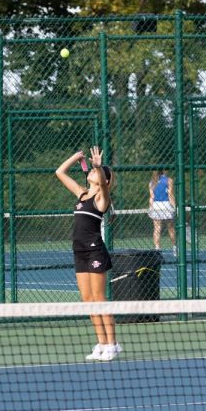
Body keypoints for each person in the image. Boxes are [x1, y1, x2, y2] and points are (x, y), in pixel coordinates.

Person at [55, 146, 120, 362]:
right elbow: (60, 173)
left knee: (100, 299)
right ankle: (101, 344)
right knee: (88, 300)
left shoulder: (102, 200)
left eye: (98, 173)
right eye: (91, 171)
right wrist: (75, 157)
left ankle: (112, 344)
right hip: (79, 251)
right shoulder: (81, 194)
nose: (92, 173)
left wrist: (99, 166)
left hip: (95, 251)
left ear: (106, 180)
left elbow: (102, 183)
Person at [148, 169, 176, 256]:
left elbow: (152, 197)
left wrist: (150, 207)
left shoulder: (151, 183)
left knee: (157, 228)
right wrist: (174, 207)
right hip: (166, 205)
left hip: (156, 206)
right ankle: (175, 248)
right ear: (163, 171)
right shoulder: (169, 180)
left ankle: (157, 249)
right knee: (170, 228)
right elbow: (170, 195)